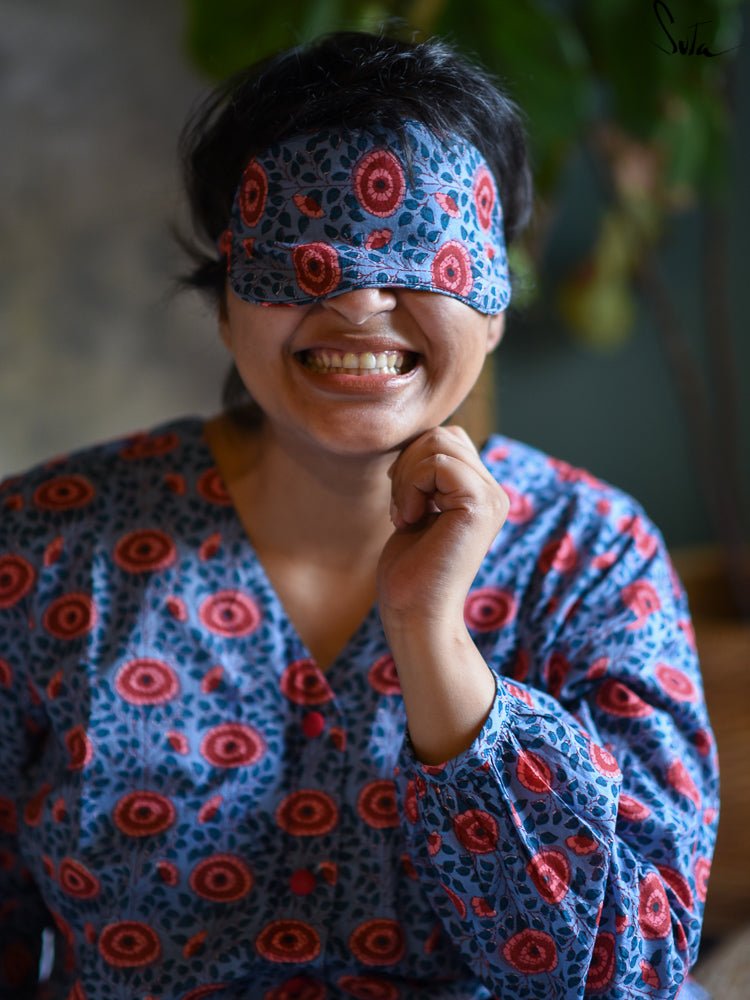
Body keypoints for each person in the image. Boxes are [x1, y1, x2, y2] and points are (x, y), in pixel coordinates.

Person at [0, 29, 717, 1000]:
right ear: (227, 301)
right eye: (303, 249)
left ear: (495, 303)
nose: (359, 299)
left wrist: (433, 641)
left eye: (423, 248)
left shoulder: (593, 559)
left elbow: (630, 973)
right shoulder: (40, 549)